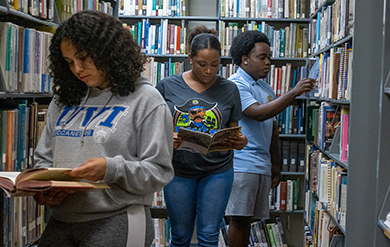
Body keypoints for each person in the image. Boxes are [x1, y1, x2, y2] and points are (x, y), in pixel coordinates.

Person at [33, 10, 174, 247]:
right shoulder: (64, 99)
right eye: (69, 62)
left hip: (118, 218)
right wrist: (43, 186)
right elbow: (44, 158)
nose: (77, 69)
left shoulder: (147, 100)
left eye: (84, 58)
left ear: (107, 51)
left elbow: (159, 172)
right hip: (60, 218)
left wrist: (112, 168)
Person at [155, 25, 248, 247]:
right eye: (202, 64)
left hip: (218, 170)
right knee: (179, 235)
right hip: (178, 170)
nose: (209, 71)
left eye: (215, 65)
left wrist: (240, 141)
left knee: (209, 234)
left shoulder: (229, 89)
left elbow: (235, 130)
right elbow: (154, 129)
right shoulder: (167, 86)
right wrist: (169, 137)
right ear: (190, 58)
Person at [225, 30, 316, 247]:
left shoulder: (264, 87)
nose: (268, 63)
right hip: (242, 165)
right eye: (262, 57)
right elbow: (258, 113)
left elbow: (272, 128)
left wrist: (276, 163)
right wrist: (293, 93)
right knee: (239, 220)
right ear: (245, 60)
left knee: (248, 221)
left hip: (261, 165)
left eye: (269, 58)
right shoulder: (236, 84)